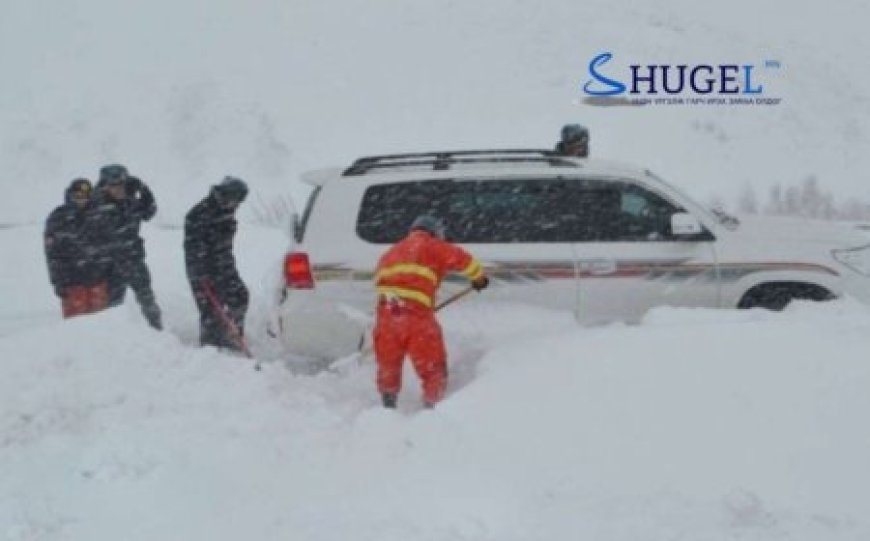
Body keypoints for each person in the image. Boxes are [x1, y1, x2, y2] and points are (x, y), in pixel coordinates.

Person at [373, 215, 489, 408]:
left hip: (388, 316)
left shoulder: (389, 253)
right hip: (417, 319)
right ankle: (432, 409)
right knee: (433, 366)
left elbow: (384, 284)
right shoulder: (432, 245)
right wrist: (479, 278)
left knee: (388, 365)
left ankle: (388, 406)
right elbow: (464, 260)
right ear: (435, 233)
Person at [89, 164, 162, 329]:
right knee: (112, 307)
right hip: (109, 265)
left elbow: (149, 212)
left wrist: (144, 190)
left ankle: (157, 332)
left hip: (133, 258)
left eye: (121, 184)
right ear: (105, 185)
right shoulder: (96, 205)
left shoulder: (131, 201)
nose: (118, 189)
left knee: (147, 300)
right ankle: (117, 338)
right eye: (113, 185)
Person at [184, 176, 250, 350]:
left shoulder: (226, 211)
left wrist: (226, 264)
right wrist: (200, 272)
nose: (236, 206)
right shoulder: (199, 214)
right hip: (202, 270)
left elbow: (224, 245)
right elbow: (192, 248)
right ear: (226, 195)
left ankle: (232, 334)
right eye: (235, 201)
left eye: (239, 202)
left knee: (240, 296)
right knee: (211, 310)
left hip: (225, 265)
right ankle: (211, 349)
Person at [44, 178, 110, 318]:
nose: (82, 200)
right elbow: (52, 255)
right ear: (71, 196)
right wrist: (58, 281)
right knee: (76, 326)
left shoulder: (99, 216)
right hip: (72, 282)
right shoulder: (58, 218)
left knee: (103, 322)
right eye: (78, 196)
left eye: (86, 197)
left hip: (97, 280)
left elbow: (108, 246)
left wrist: (108, 271)